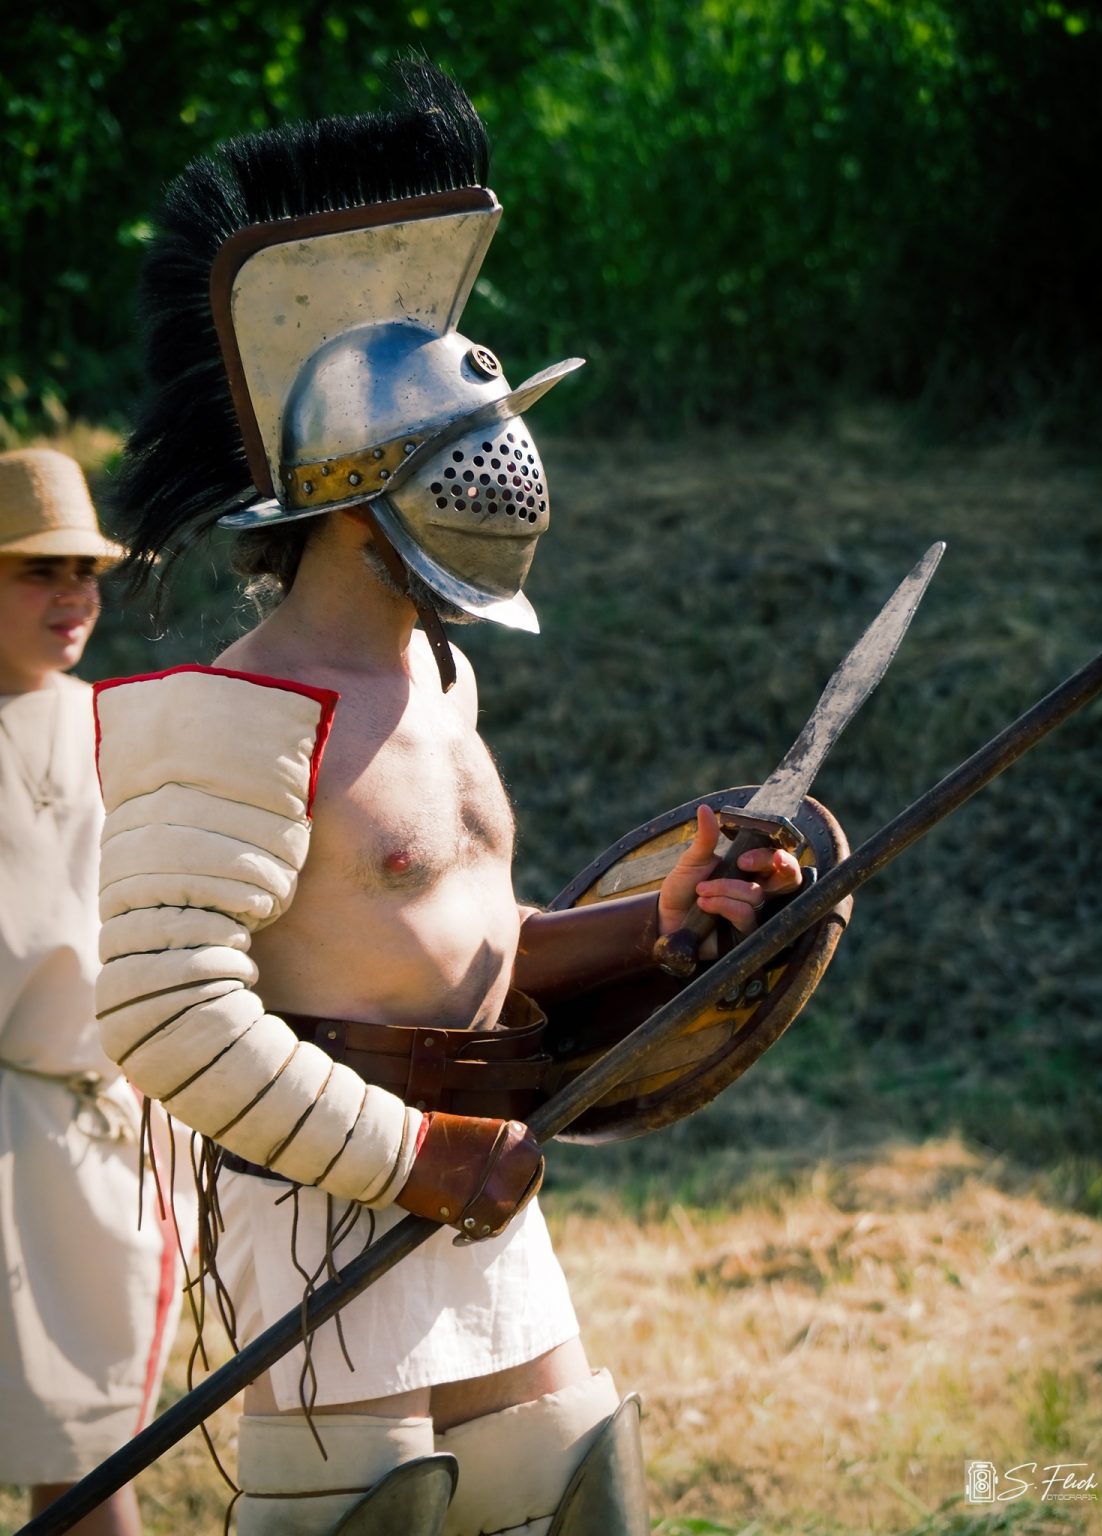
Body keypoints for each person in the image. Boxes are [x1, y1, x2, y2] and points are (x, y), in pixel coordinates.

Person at [93, 63, 802, 1536]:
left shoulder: (441, 686)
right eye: (451, 463)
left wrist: (642, 928)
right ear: (353, 498)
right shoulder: (225, 720)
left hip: (483, 1197)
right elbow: (164, 1017)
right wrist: (415, 1156)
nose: (501, 477)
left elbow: (451, 949)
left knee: (582, 1490)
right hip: (330, 1214)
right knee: (373, 1522)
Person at [0, 447, 191, 1536]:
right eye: (40, 570)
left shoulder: (117, 724)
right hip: (8, 1115)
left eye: (87, 569)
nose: (75, 594)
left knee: (87, 1457)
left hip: (94, 1123)